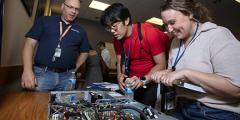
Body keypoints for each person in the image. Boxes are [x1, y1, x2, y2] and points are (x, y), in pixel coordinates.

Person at [151, 0, 240, 119]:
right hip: (181, 106)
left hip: (216, 111)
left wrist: (186, 73)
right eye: (166, 24)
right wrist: (166, 74)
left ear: (190, 13)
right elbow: (175, 77)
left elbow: (235, 89)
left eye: (172, 22)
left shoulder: (218, 35)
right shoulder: (175, 42)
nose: (170, 29)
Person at [100, 3, 170, 107]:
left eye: (114, 26)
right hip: (133, 83)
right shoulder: (117, 39)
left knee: (145, 110)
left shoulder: (149, 33)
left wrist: (142, 80)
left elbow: (161, 65)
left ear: (126, 20)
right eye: (109, 28)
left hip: (151, 81)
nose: (112, 31)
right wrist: (119, 76)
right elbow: (120, 60)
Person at [21, 0, 89, 91]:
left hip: (67, 77)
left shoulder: (81, 30)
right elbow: (29, 44)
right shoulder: (45, 21)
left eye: (77, 9)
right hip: (42, 75)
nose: (73, 11)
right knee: (37, 104)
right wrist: (27, 71)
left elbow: (85, 52)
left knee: (64, 105)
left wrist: (74, 70)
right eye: (70, 7)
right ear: (62, 6)